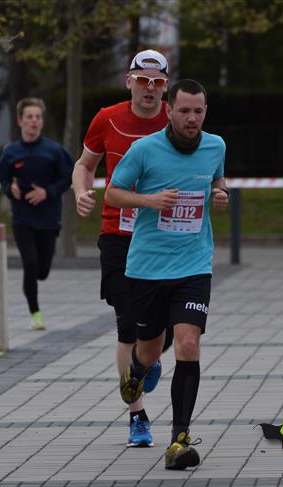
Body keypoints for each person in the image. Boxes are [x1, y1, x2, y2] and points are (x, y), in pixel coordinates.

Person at [106, 79, 229, 470]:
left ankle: (179, 439)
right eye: (185, 111)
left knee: (187, 344)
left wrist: (221, 192)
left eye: (199, 111)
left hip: (194, 265)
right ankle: (136, 373)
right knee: (148, 348)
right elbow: (112, 193)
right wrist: (149, 200)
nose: (192, 118)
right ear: (169, 111)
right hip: (147, 268)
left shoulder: (216, 146)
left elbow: (216, 178)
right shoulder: (144, 150)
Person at [72, 50, 172, 448]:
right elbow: (84, 165)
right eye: (143, 80)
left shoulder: (176, 120)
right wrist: (82, 192)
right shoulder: (107, 118)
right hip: (118, 234)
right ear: (129, 81)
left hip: (163, 234)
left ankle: (150, 357)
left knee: (164, 326)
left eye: (157, 83)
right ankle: (137, 416)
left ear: (165, 87)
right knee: (128, 325)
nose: (150, 89)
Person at [0, 97, 73, 331]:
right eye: (29, 117)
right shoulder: (11, 152)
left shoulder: (54, 150)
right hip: (22, 218)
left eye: (38, 117)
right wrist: (10, 189)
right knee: (29, 263)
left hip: (48, 218)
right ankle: (35, 314)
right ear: (20, 121)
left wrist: (47, 192)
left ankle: (32, 284)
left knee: (42, 270)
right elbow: (3, 177)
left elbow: (68, 177)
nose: (34, 121)